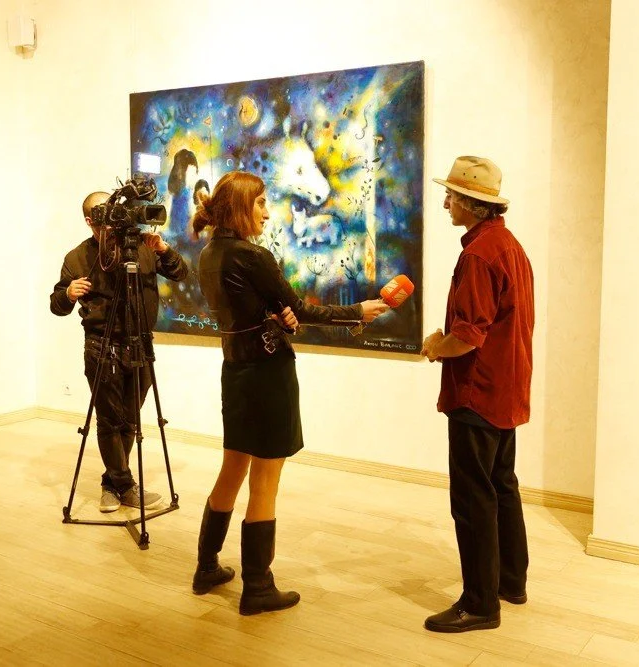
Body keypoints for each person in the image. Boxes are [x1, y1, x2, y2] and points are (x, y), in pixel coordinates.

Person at [189, 171, 388, 615]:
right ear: (240, 206)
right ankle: (258, 587)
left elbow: (262, 310)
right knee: (265, 480)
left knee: (232, 468)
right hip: (266, 374)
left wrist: (276, 316)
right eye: (260, 202)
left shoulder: (209, 254)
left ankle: (206, 567)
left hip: (235, 371)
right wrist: (358, 310)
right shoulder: (252, 255)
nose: (266, 210)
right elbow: (299, 308)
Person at [421, 156, 534, 633]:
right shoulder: (509, 245)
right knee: (501, 486)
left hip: (477, 392)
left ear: (472, 202)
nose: (446, 201)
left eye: (452, 195)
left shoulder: (478, 255)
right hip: (506, 390)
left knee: (472, 499)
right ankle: (510, 581)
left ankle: (480, 603)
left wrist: (434, 348)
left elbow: (467, 335)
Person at [50, 191, 188, 513]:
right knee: (110, 420)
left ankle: (112, 484)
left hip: (140, 343)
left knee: (130, 418)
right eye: (104, 218)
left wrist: (164, 250)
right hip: (101, 346)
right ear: (90, 221)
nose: (112, 224)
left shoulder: (141, 246)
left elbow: (180, 273)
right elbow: (56, 306)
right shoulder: (78, 257)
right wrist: (69, 293)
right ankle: (124, 485)